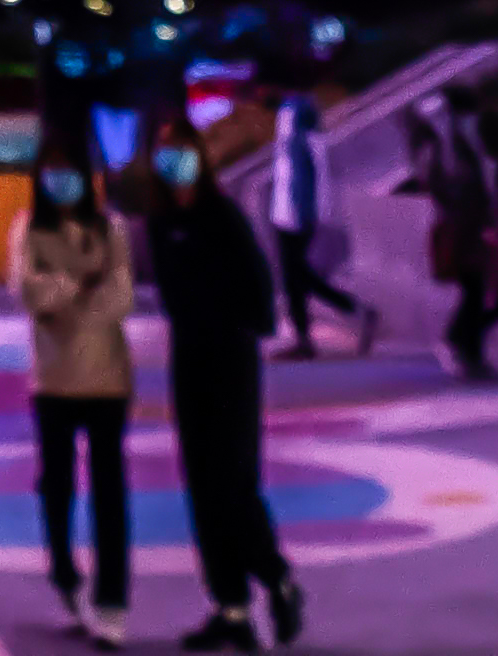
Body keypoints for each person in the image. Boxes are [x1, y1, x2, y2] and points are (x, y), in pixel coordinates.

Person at [141, 135, 305, 650]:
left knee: (234, 480)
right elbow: (169, 295)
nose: (175, 164)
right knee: (202, 486)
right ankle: (230, 606)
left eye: (182, 151)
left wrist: (240, 329)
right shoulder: (160, 223)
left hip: (231, 360)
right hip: (189, 360)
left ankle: (276, 577)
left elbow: (257, 281)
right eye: (165, 153)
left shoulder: (222, 215)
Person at [14, 155, 140, 643]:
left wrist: (61, 291)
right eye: (53, 170)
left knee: (110, 494)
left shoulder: (113, 230)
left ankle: (113, 602)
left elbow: (121, 300)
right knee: (56, 487)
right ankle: (65, 575)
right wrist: (80, 283)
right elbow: (29, 293)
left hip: (108, 380)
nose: (62, 180)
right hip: (52, 381)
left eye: (71, 170)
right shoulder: (28, 228)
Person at [249, 103, 372, 358]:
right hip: (286, 214)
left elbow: (308, 175)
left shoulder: (299, 121)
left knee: (298, 276)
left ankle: (351, 312)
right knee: (296, 279)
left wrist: (308, 214)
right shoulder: (291, 117)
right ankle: (308, 336)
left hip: (295, 217)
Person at [424, 108, 498, 379]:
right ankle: (460, 343)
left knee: (480, 293)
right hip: (469, 231)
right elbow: (466, 191)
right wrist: (483, 224)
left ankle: (469, 351)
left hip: (468, 229)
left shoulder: (449, 149)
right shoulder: (457, 151)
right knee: (479, 293)